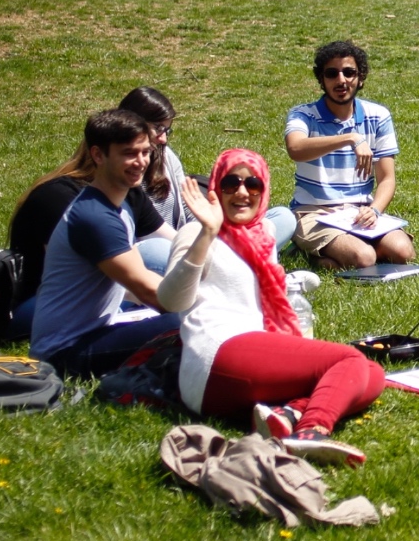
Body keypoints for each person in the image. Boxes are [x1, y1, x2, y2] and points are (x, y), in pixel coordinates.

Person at [158, 149, 385, 466]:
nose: (241, 192)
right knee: (347, 361)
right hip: (214, 358)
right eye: (230, 183)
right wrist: (208, 233)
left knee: (371, 372)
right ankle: (310, 432)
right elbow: (171, 301)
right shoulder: (196, 232)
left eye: (252, 184)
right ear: (215, 188)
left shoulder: (262, 235)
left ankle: (287, 414)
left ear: (263, 191)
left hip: (247, 365)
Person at [28, 109, 181, 378]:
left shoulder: (117, 205)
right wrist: (210, 306)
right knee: (182, 322)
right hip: (63, 353)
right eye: (129, 153)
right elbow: (147, 290)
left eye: (145, 152)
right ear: (98, 155)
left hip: (95, 331)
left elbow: (138, 281)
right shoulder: (94, 217)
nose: (141, 162)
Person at [284, 40, 415, 270]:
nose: (341, 80)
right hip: (312, 212)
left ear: (360, 77)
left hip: (358, 211)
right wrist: (350, 138)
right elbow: (295, 148)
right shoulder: (303, 114)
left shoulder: (378, 115)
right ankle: (311, 251)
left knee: (403, 252)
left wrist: (374, 210)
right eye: (332, 74)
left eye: (349, 72)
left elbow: (387, 179)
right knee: (364, 258)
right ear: (321, 80)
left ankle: (334, 254)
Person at [119, 87, 297, 254]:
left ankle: (237, 263)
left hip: (192, 239)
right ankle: (244, 264)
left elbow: (188, 204)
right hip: (162, 250)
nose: (164, 139)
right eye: (158, 128)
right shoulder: (120, 176)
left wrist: (210, 235)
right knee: (157, 249)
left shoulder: (165, 156)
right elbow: (144, 235)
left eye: (167, 130)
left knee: (283, 218)